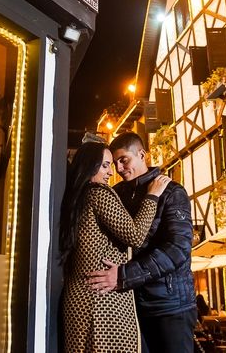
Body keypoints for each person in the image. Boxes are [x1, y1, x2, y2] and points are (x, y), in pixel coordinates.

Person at [87, 132, 197, 352]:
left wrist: (124, 275)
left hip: (170, 304)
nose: (118, 168)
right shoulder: (115, 193)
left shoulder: (172, 192)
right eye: (114, 162)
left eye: (124, 160)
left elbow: (177, 249)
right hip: (129, 305)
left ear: (142, 155)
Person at [59, 141, 172, 352]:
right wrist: (152, 195)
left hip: (77, 299)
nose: (111, 172)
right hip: (104, 304)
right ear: (88, 166)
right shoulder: (98, 192)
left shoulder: (73, 198)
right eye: (105, 165)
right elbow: (136, 236)